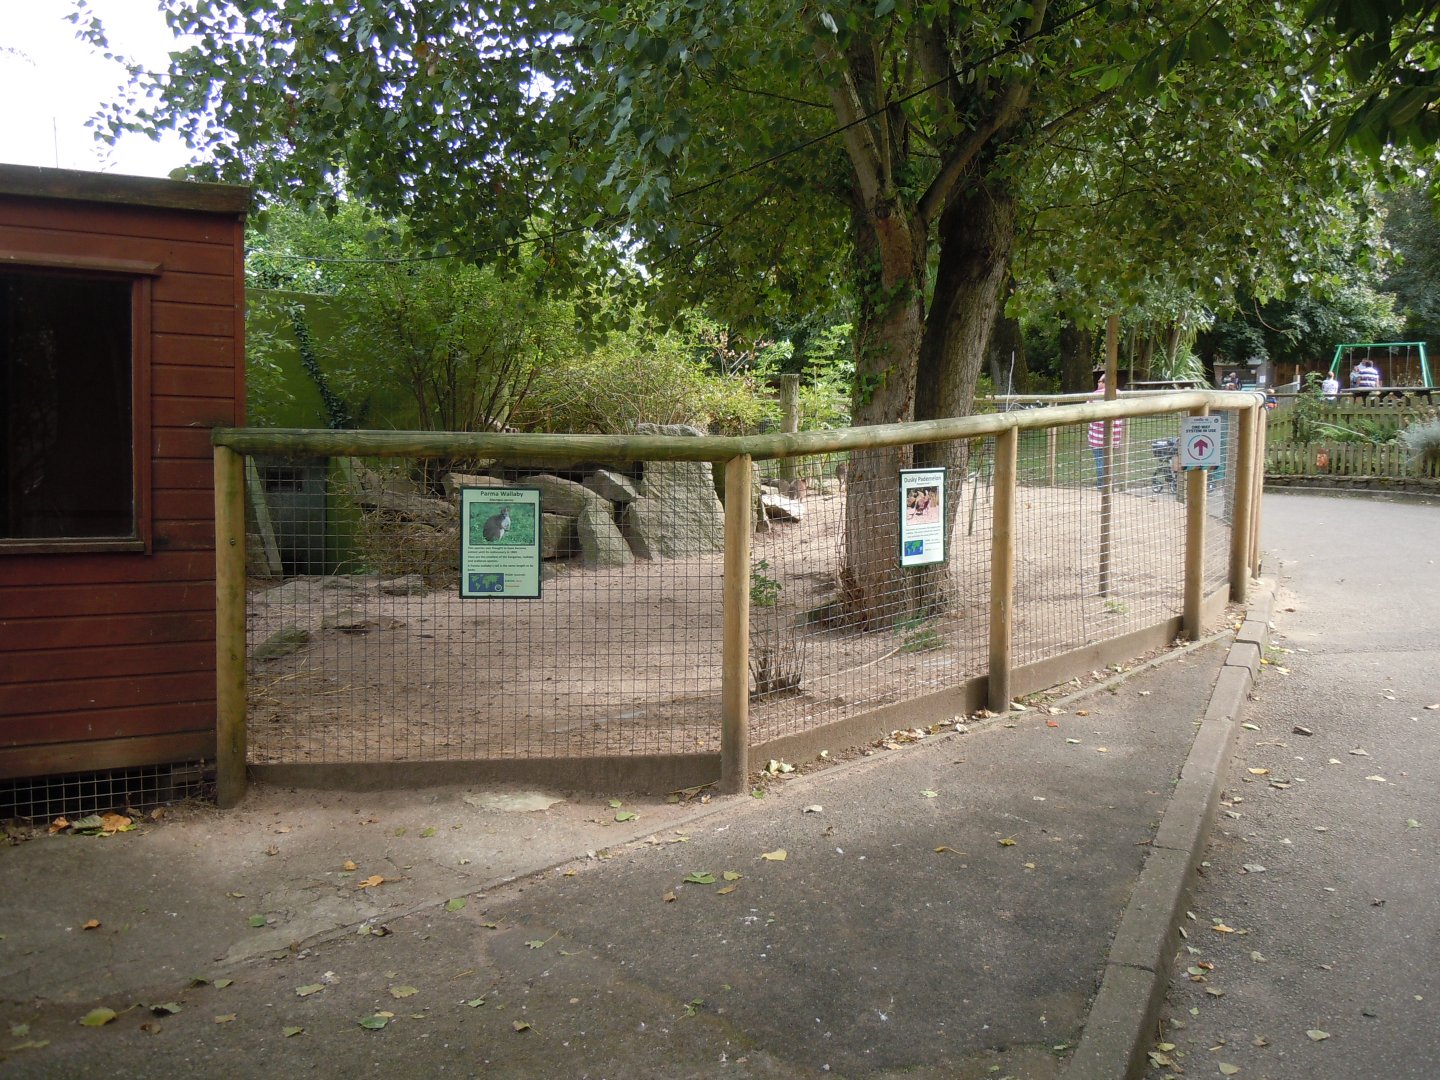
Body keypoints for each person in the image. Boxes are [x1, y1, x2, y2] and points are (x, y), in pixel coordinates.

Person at [1088, 375, 1123, 492]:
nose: (1098, 384)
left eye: (1100, 381)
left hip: (1097, 438)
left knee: (1099, 461)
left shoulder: (1094, 395)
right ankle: (1108, 485)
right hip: (1113, 437)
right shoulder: (1119, 394)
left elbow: (1086, 409)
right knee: (1108, 461)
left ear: (1106, 383)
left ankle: (1102, 486)